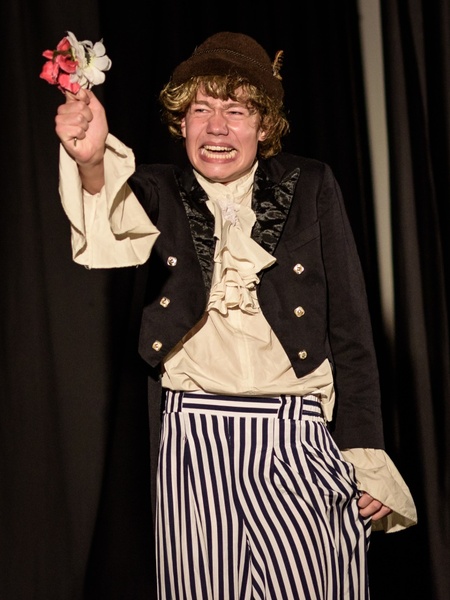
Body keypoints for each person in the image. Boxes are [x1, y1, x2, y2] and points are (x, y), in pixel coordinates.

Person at [54, 31, 417, 600]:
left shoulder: (311, 184)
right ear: (182, 123)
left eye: (237, 111)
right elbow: (108, 225)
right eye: (201, 110)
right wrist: (92, 160)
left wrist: (364, 450)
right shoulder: (158, 188)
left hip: (297, 434)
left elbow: (351, 331)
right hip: (193, 438)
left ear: (264, 126)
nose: (217, 128)